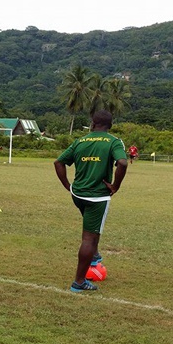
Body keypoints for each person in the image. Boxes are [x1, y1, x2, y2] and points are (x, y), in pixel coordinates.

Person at [54, 110, 128, 293]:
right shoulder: (113, 141)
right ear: (110, 125)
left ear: (92, 123)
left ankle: (94, 256)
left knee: (90, 229)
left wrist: (67, 185)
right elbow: (123, 163)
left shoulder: (80, 141)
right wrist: (115, 185)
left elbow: (58, 162)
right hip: (97, 196)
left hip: (78, 194)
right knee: (89, 237)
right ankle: (79, 282)